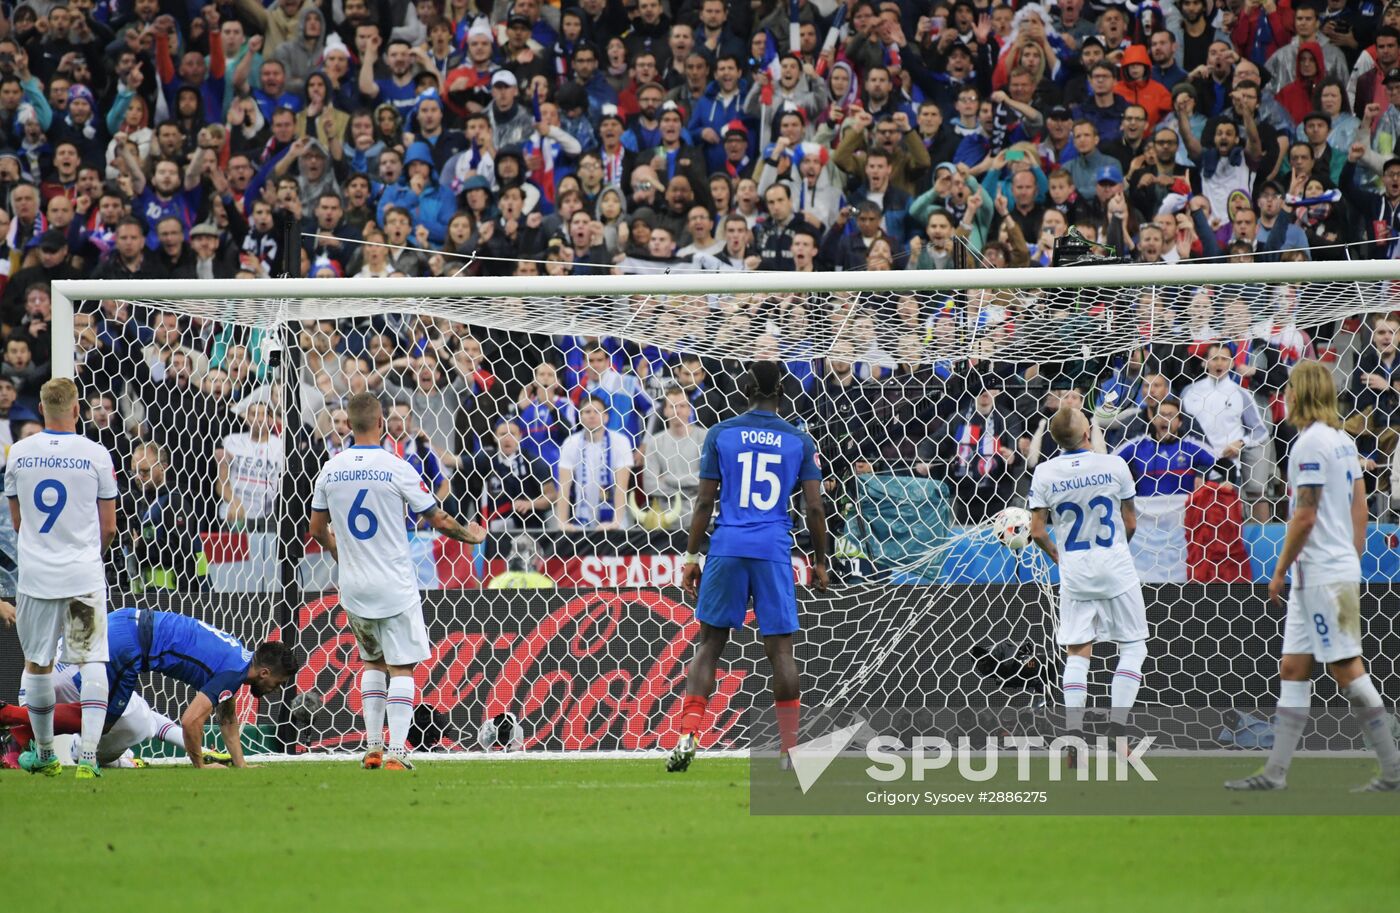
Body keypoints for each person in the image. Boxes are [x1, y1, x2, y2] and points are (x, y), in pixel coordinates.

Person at [1226, 361, 1400, 792]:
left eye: (1287, 389)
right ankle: (1275, 774)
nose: (1283, 396)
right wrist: (1353, 551)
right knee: (1293, 667)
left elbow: (1303, 515)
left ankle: (1394, 769)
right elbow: (1360, 500)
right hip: (1323, 570)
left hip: (1321, 573)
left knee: (1347, 670)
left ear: (1297, 394)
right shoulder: (1341, 440)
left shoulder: (1309, 445)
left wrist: (1279, 568)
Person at [309, 393, 485, 770]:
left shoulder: (331, 468)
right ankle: (398, 752)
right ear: (380, 423)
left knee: (372, 662)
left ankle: (372, 747)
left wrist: (342, 554)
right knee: (401, 668)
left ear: (350, 426)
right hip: (393, 584)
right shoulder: (396, 466)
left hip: (353, 586)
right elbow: (437, 519)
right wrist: (472, 535)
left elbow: (316, 529)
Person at [668, 361, 828, 773]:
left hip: (728, 544)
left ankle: (688, 733)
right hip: (773, 547)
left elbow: (704, 502)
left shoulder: (722, 433)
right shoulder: (798, 439)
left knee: (709, 644)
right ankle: (788, 750)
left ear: (745, 390)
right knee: (781, 651)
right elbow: (814, 506)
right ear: (783, 393)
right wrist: (821, 562)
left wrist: (690, 558)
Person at [19, 606, 299, 770]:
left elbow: (228, 719)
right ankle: (17, 723)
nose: (277, 688)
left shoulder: (237, 658)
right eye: (279, 682)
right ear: (265, 672)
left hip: (127, 621)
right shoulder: (232, 672)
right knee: (98, 720)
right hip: (129, 646)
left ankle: (28, 725)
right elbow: (191, 721)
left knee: (96, 708)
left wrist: (242, 766)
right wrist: (201, 765)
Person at [7, 378, 117, 779]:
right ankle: (88, 758)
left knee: (37, 662)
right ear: (76, 410)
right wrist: (86, 556)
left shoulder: (18, 453)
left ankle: (46, 754)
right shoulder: (96, 454)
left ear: (40, 409)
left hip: (36, 577)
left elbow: (18, 522)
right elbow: (109, 527)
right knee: (90, 660)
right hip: (82, 575)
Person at [1028, 402, 1146, 761]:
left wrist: (1058, 557)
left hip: (1074, 572)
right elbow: (1130, 523)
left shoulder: (1045, 473)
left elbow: (1036, 531)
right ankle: (1118, 729)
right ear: (1085, 433)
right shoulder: (1114, 465)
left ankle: (1074, 733)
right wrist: (1114, 553)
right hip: (1115, 568)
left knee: (1078, 651)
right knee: (1133, 646)